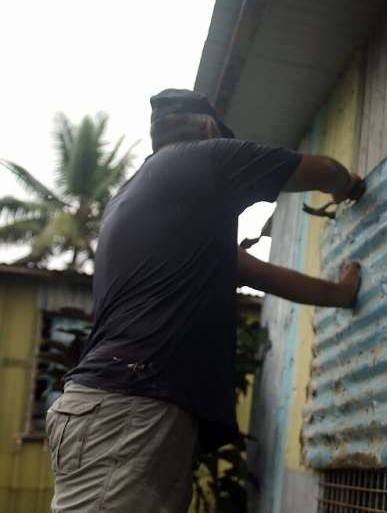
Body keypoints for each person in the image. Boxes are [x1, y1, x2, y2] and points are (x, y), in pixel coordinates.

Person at [45, 89, 364, 512]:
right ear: (210, 129)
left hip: (121, 406)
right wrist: (350, 186)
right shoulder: (205, 159)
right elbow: (320, 171)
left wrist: (341, 294)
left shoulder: (146, 202)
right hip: (128, 405)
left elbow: (267, 277)